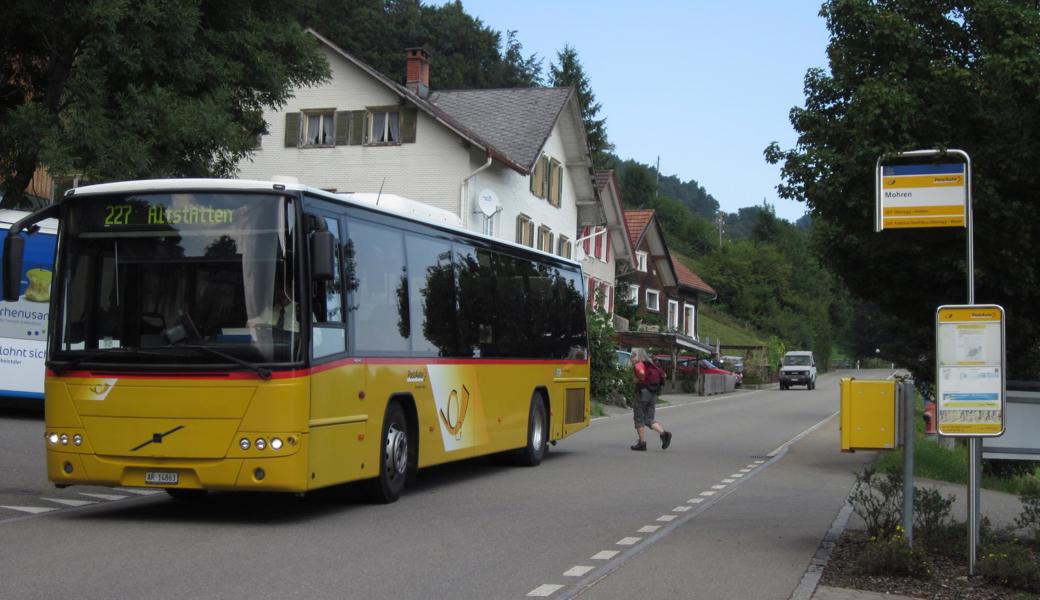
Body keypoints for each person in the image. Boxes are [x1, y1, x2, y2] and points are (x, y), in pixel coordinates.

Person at [629, 348, 672, 451]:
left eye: (633, 355)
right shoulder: (651, 364)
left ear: (637, 355)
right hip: (653, 393)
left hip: (643, 393)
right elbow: (664, 375)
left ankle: (642, 443)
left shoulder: (639, 364)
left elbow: (642, 373)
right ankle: (664, 434)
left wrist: (638, 379)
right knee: (648, 419)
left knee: (639, 418)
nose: (631, 357)